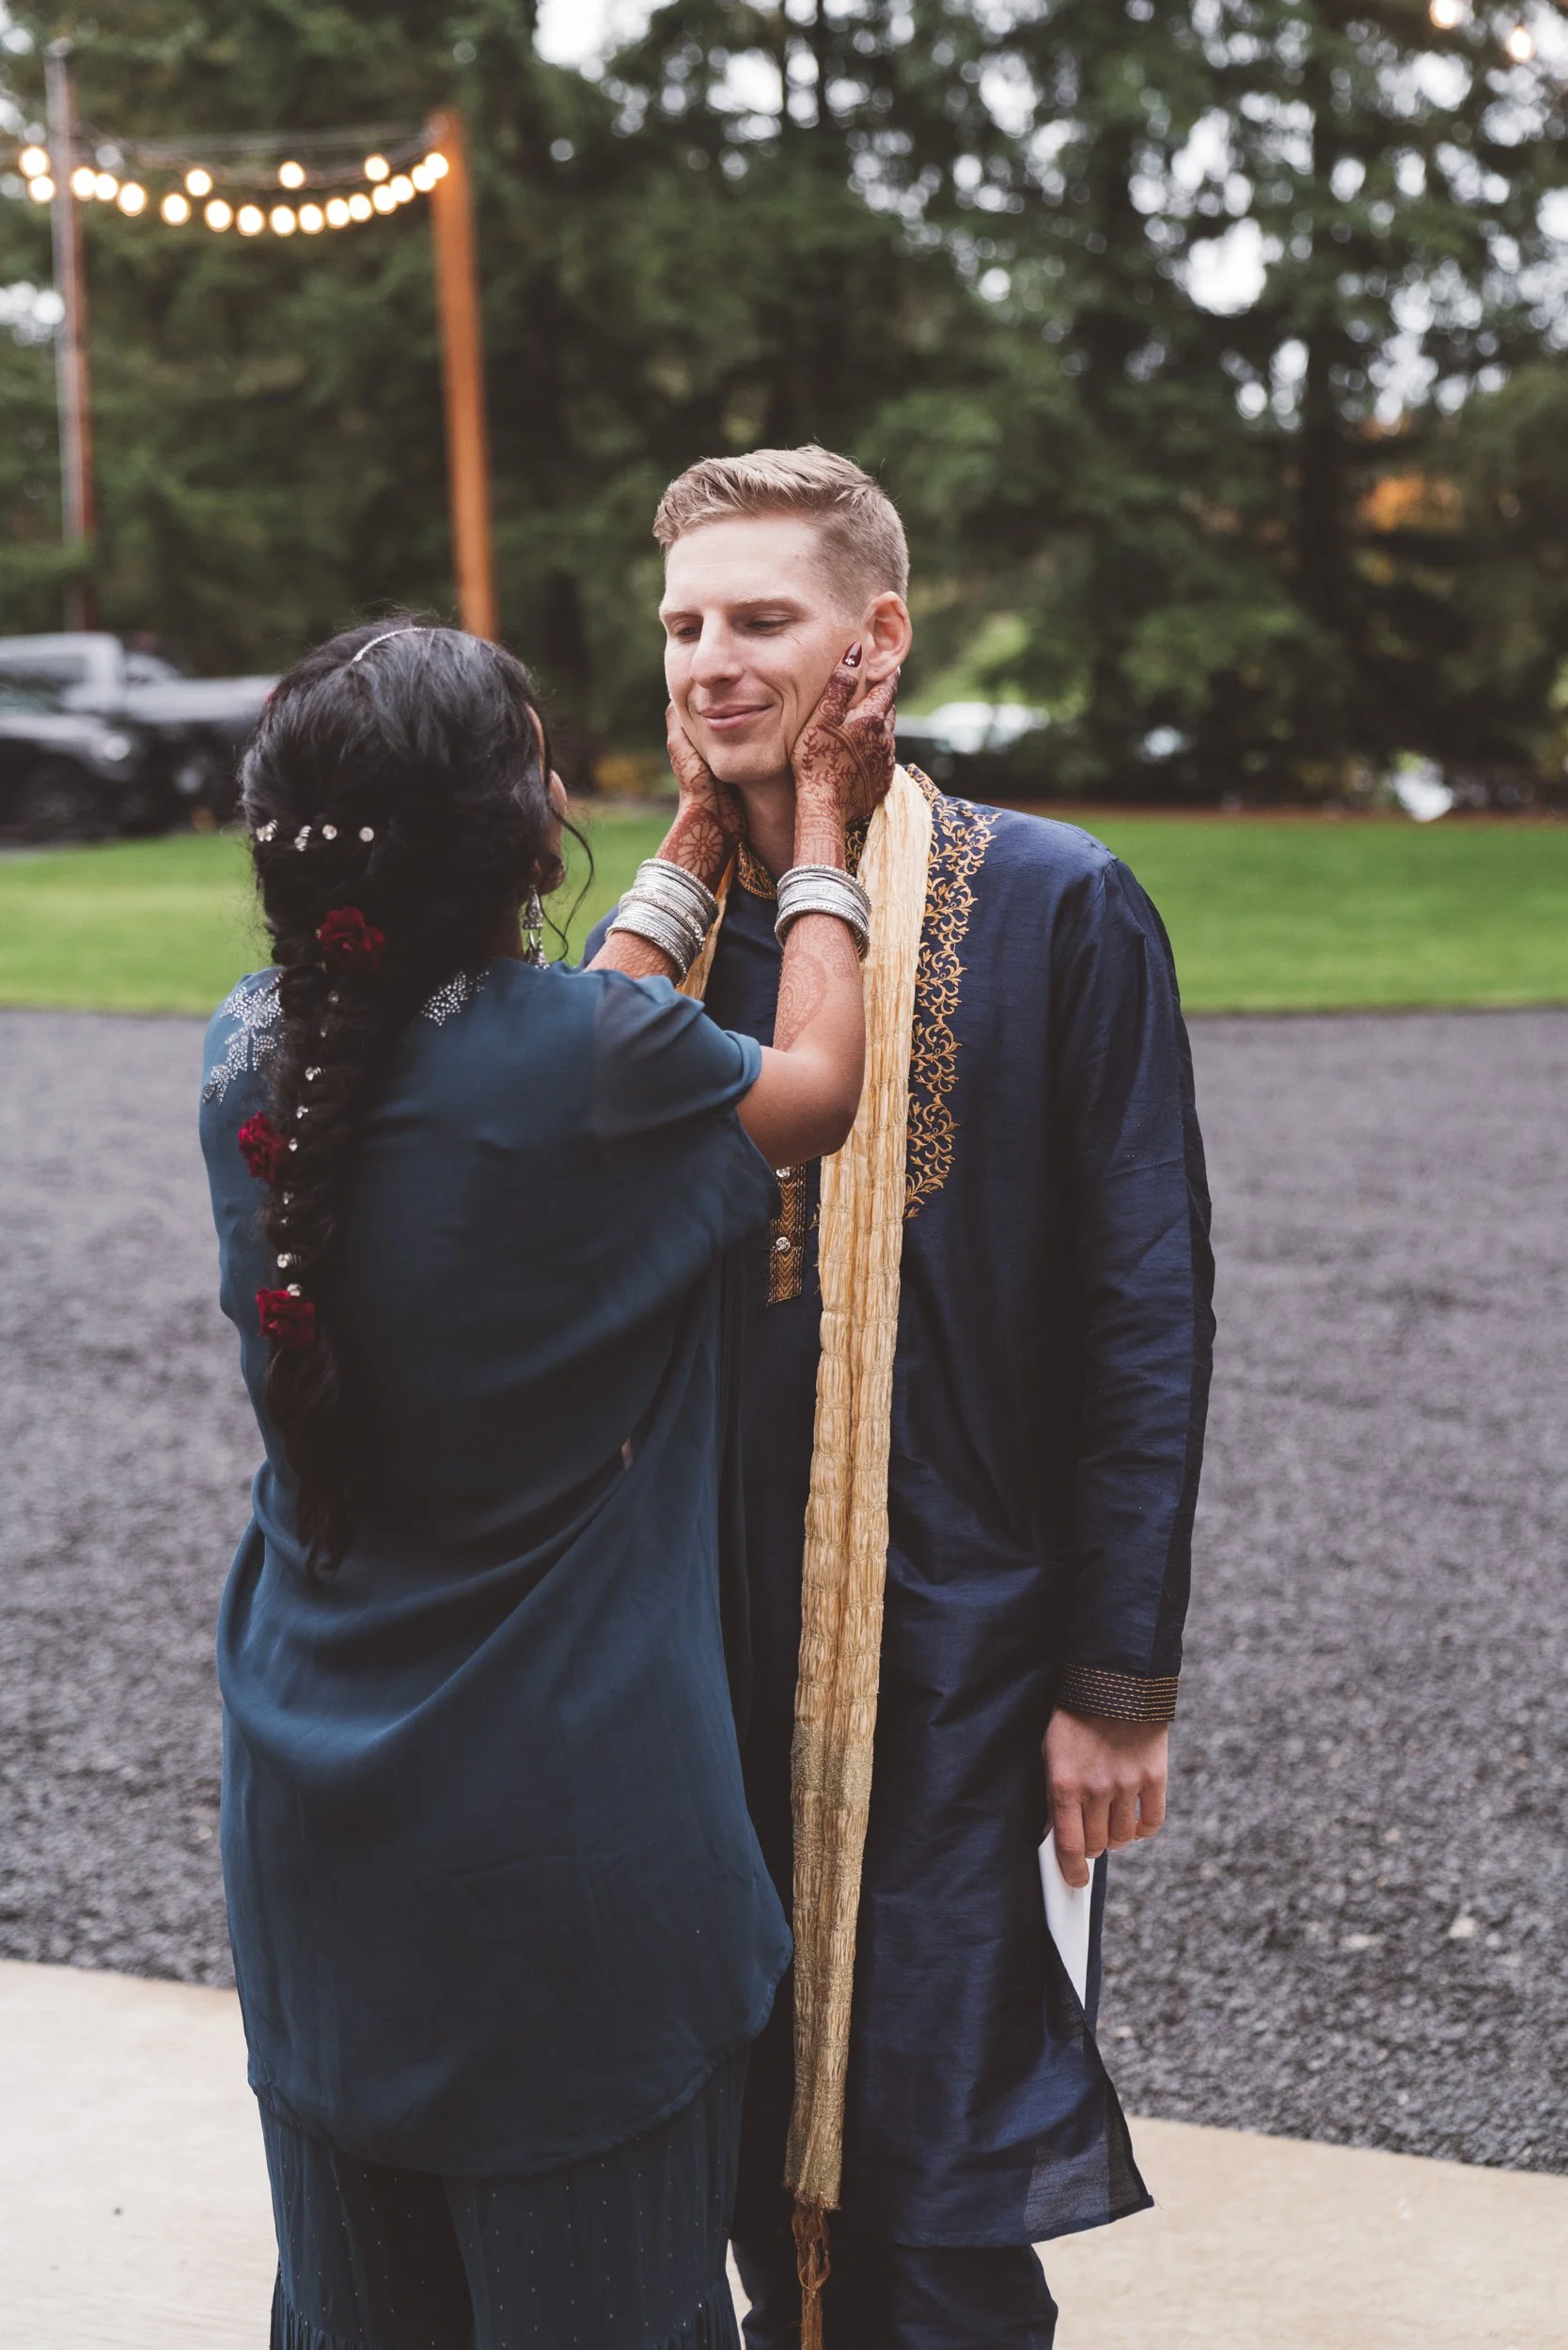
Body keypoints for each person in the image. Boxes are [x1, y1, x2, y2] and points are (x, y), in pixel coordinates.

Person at [199, 619, 897, 2350]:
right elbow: (808, 1086)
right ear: (511, 837)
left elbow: (568, 1062)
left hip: (317, 1862)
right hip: (565, 1889)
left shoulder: (251, 1062)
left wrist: (680, 853)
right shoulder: (584, 1069)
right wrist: (818, 843)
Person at [587, 447, 1215, 2349]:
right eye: (684, 623)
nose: (707, 661)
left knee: (928, 2187)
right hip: (681, 1653)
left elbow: (1144, 1303)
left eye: (761, 619)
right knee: (721, 2147)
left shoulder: (1056, 906)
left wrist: (1117, 1680)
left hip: (953, 1645)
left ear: (881, 639)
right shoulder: (658, 948)